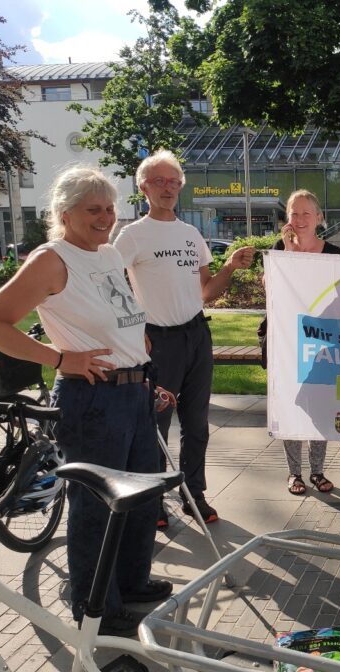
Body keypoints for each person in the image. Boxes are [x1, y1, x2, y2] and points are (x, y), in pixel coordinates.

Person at [0, 166, 174, 637]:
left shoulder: (105, 253)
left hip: (134, 392)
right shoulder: (52, 259)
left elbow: (124, 322)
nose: (105, 218)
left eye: (109, 209)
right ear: (65, 213)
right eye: (92, 210)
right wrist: (58, 357)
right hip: (93, 400)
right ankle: (93, 603)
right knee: (97, 505)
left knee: (143, 496)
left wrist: (144, 374)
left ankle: (131, 582)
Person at [114, 150, 254, 528]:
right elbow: (109, 283)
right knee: (156, 425)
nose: (168, 188)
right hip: (158, 340)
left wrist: (230, 267)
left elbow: (206, 292)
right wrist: (134, 329)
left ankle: (194, 493)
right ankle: (152, 499)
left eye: (174, 181)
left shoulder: (191, 234)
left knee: (197, 423)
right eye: (159, 181)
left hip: (196, 334)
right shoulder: (132, 235)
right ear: (143, 186)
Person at [269, 189, 340, 495]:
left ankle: (317, 470)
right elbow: (270, 286)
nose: (299, 220)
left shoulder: (334, 254)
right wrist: (287, 252)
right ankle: (294, 473)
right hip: (287, 340)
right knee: (290, 403)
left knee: (321, 405)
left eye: (306, 213)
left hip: (322, 341)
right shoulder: (280, 249)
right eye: (294, 213)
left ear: (319, 218)